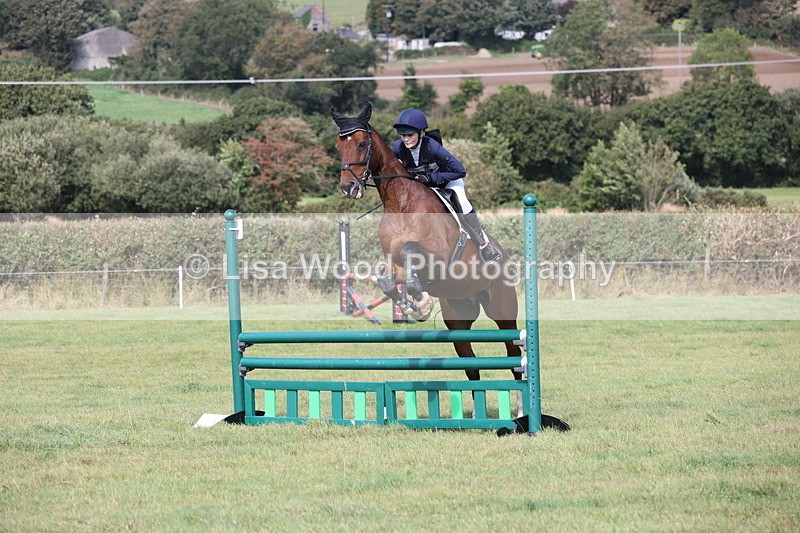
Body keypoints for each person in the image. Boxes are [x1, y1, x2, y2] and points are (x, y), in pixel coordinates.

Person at [391, 108, 503, 263]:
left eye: (410, 135)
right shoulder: (398, 147)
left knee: (463, 204)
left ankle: (484, 244)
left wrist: (432, 178)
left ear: (421, 133)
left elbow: (460, 171)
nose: (406, 139)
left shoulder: (433, 147)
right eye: (403, 135)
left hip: (448, 183)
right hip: (423, 189)